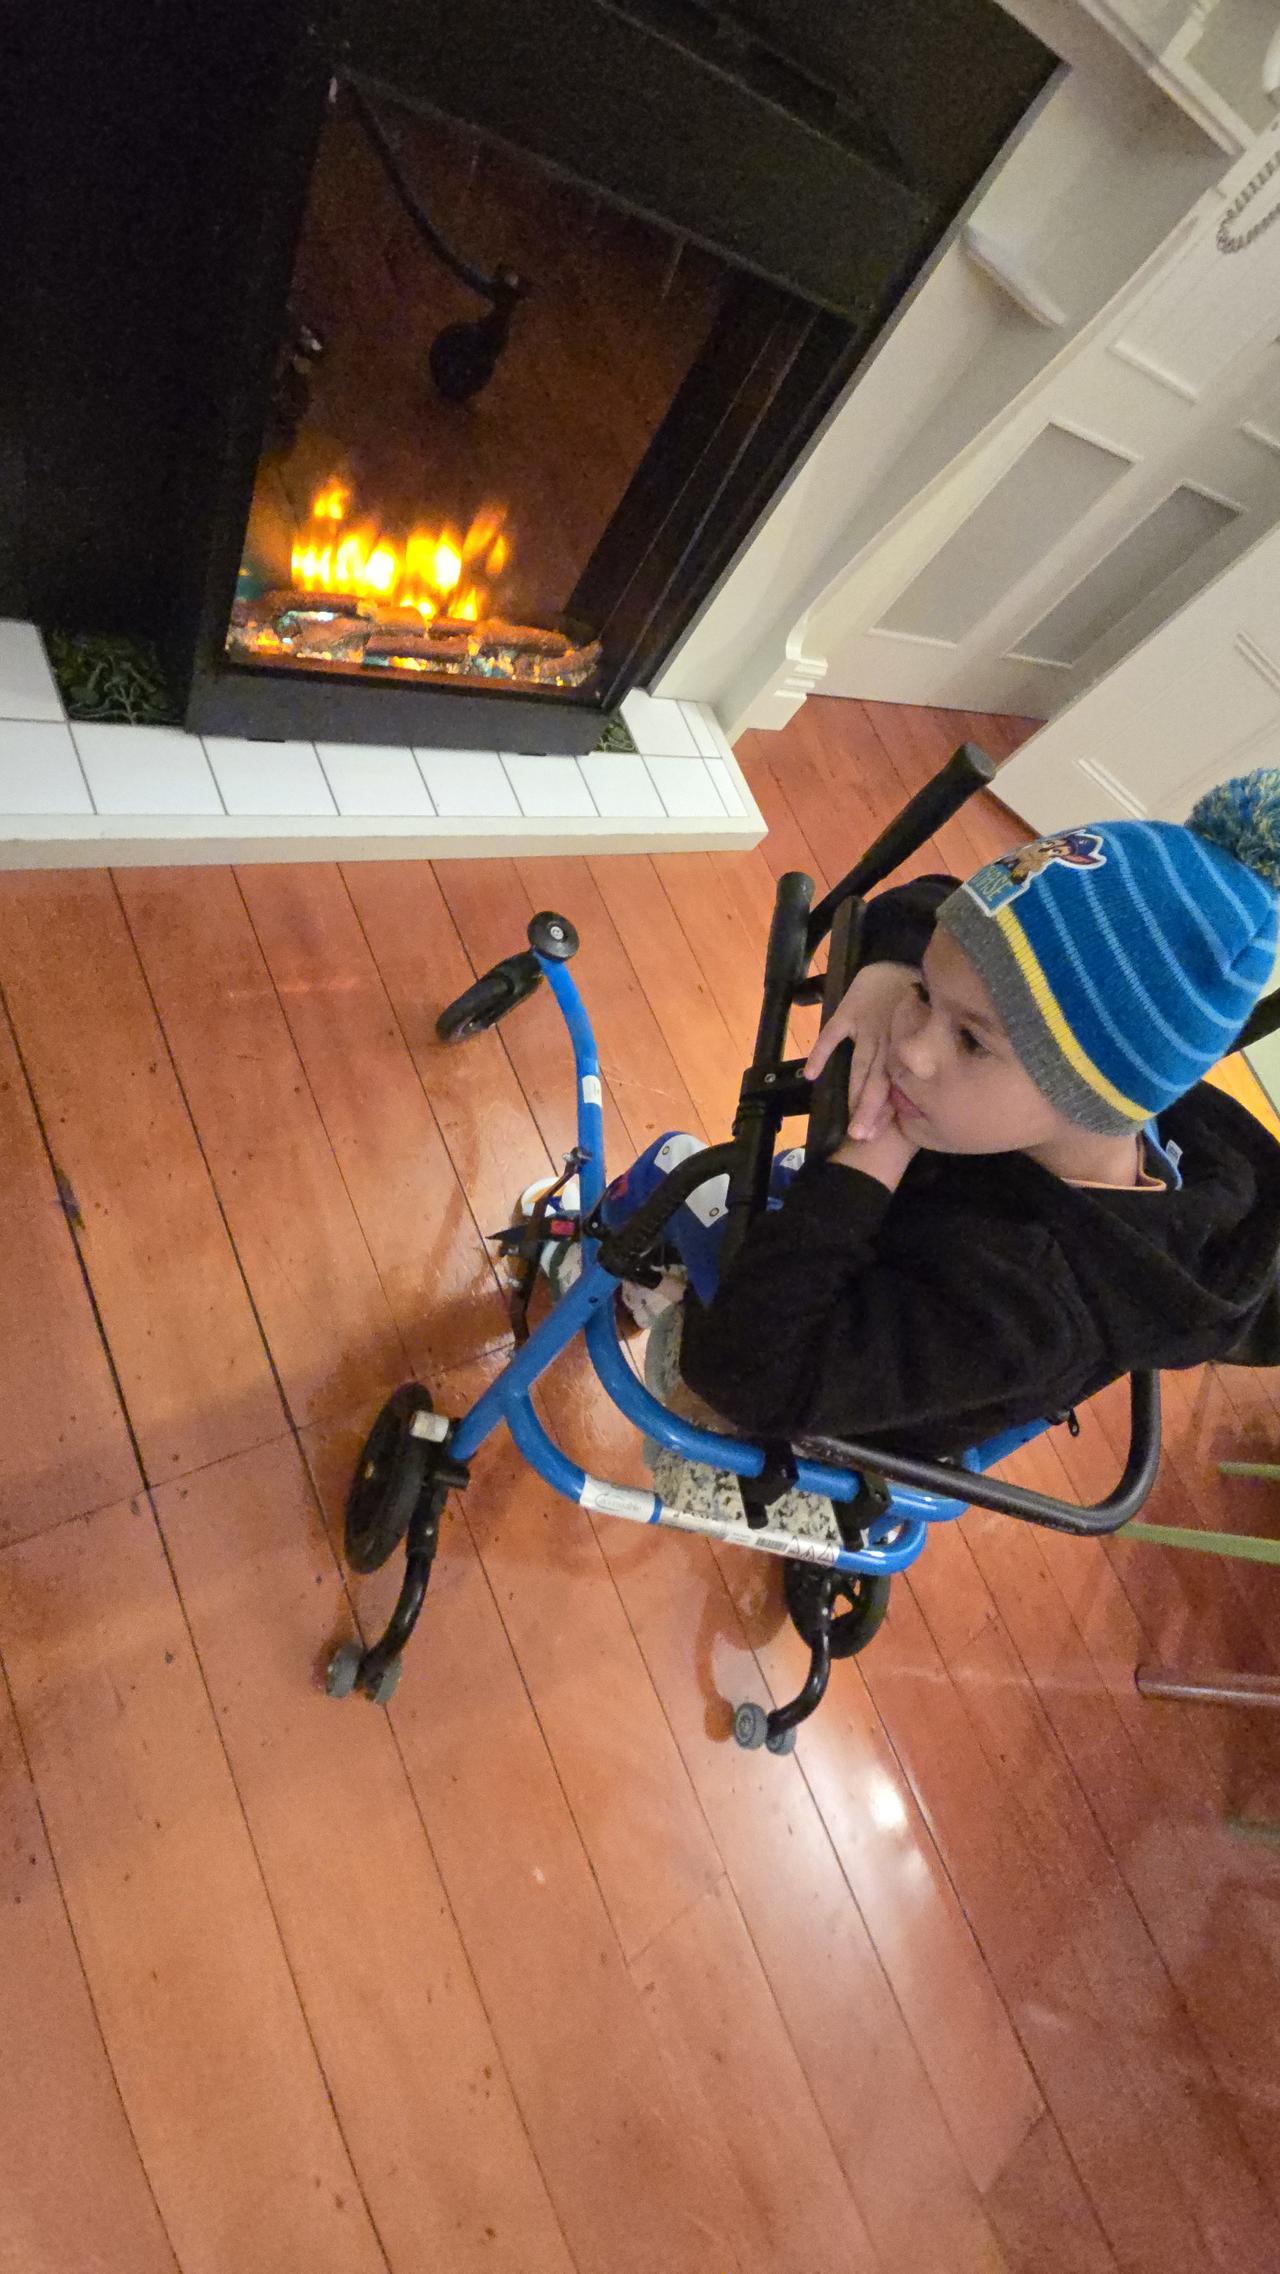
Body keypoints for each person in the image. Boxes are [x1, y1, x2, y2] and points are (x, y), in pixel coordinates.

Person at [602, 767, 1280, 1463]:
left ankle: (616, 1279)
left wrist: (876, 1152)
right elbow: (929, 901)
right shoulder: (1106, 1098)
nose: (913, 1048)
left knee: (672, 1171)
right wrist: (892, 974)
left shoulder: (1032, 1298)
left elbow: (748, 1372)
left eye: (970, 1040)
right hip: (880, 1250)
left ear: (1089, 1097)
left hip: (830, 1403)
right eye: (928, 993)